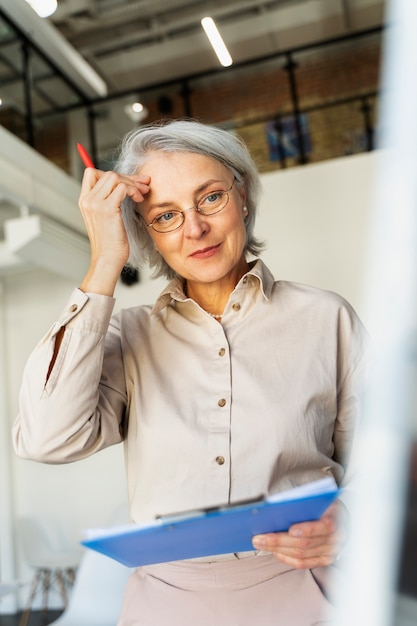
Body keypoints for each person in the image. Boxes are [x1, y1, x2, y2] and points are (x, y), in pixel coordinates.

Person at [13, 119, 368, 625]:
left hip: (307, 594)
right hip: (166, 607)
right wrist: (104, 263)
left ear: (242, 195)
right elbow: (46, 438)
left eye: (210, 199)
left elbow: (386, 460)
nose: (193, 229)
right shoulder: (127, 337)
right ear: (146, 232)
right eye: (165, 216)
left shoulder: (327, 318)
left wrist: (349, 517)